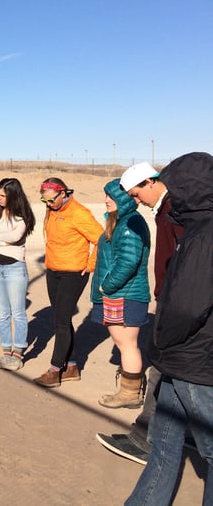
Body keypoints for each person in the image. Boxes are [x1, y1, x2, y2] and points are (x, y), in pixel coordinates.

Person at [126, 151, 213, 504]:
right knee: (162, 446)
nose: (170, 193)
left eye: (175, 186)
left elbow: (188, 307)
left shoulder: (205, 236)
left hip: (194, 360)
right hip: (179, 360)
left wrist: (160, 339)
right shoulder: (196, 228)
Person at [97, 162, 184, 465]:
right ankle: (179, 435)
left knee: (148, 358)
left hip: (164, 301)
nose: (135, 199)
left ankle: (145, 433)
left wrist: (108, 284)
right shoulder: (163, 212)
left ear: (149, 183)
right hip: (170, 300)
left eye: (135, 193)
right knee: (170, 372)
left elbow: (130, 260)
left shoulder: (172, 212)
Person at [33, 177, 103, 388]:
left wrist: (90, 265)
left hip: (73, 273)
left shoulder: (80, 213)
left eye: (51, 200)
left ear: (63, 193)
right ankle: (72, 366)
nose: (48, 204)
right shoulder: (51, 210)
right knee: (61, 318)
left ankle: (55, 370)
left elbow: (101, 238)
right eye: (44, 201)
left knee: (61, 322)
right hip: (53, 270)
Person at [89, 178, 151, 408]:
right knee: (124, 343)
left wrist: (107, 285)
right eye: (106, 195)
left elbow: (128, 261)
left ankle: (130, 394)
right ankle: (129, 390)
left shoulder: (131, 222)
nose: (106, 200)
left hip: (124, 294)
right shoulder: (120, 221)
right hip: (120, 293)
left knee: (127, 344)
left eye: (111, 196)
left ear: (124, 198)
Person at [0, 178, 36, 371]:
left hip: (15, 267)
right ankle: (6, 351)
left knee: (18, 313)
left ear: (13, 195)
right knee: (2, 312)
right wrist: (4, 241)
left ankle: (19, 350)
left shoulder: (23, 215)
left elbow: (16, 236)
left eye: (2, 195)